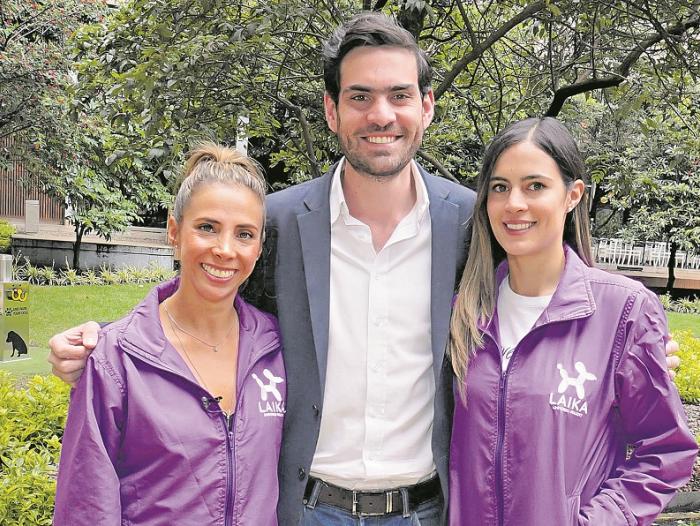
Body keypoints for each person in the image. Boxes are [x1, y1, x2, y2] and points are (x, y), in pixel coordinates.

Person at [47, 13, 682, 526]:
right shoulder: (277, 223)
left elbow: (547, 303)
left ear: (426, 108)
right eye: (361, 97)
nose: (382, 115)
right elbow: (214, 291)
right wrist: (112, 341)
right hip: (306, 506)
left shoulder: (472, 223)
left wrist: (624, 346)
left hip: (430, 509)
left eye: (400, 95)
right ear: (333, 111)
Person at [448, 117, 697, 526]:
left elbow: (666, 449)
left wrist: (598, 521)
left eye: (535, 186)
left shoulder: (623, 311)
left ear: (572, 195)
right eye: (499, 187)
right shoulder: (463, 314)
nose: (514, 203)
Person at [53, 143, 285, 525]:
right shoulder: (115, 362)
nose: (225, 249)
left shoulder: (274, 348)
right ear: (174, 233)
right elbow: (85, 505)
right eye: (207, 227)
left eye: (244, 234)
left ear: (259, 248)